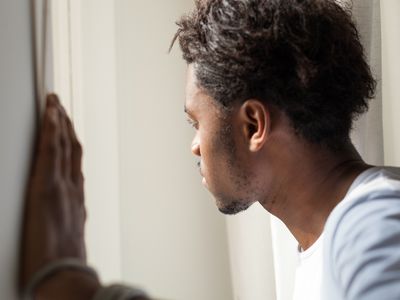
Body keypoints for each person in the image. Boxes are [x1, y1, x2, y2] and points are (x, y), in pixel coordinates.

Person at [20, 0, 400, 299]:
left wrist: (74, 287)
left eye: (196, 122)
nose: (194, 146)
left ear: (253, 125)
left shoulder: (375, 224)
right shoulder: (333, 240)